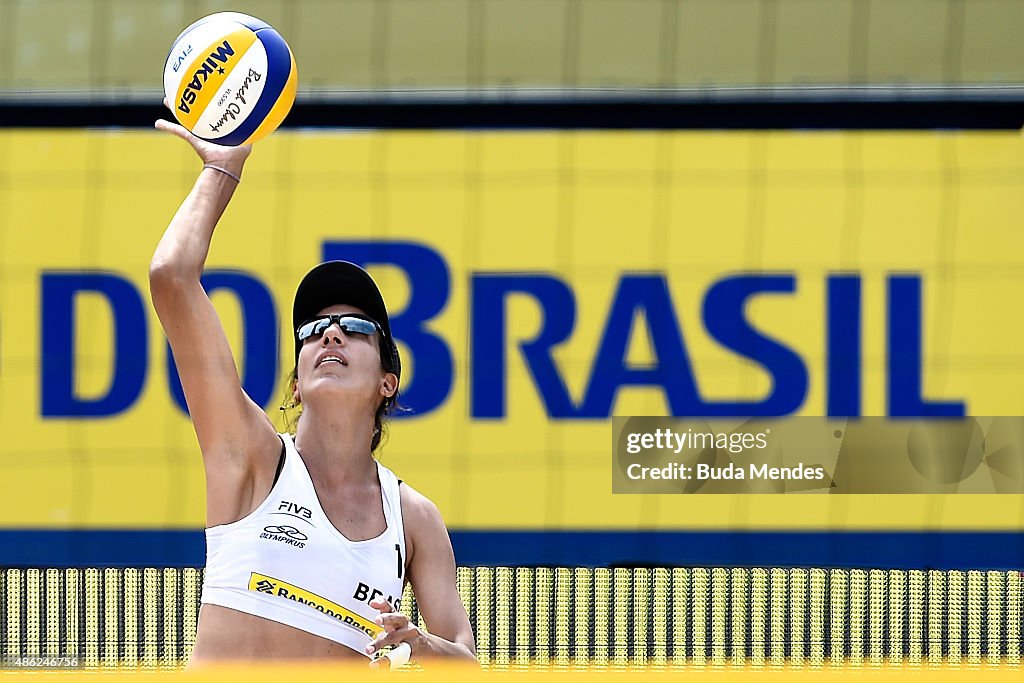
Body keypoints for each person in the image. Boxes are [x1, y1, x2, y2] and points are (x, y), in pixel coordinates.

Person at [149, 112, 476, 666]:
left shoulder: (413, 518)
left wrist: (421, 646)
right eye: (313, 329)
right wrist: (222, 169)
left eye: (356, 329)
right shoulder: (251, 456)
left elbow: (470, 669)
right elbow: (170, 276)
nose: (331, 332)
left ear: (386, 383)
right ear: (297, 385)